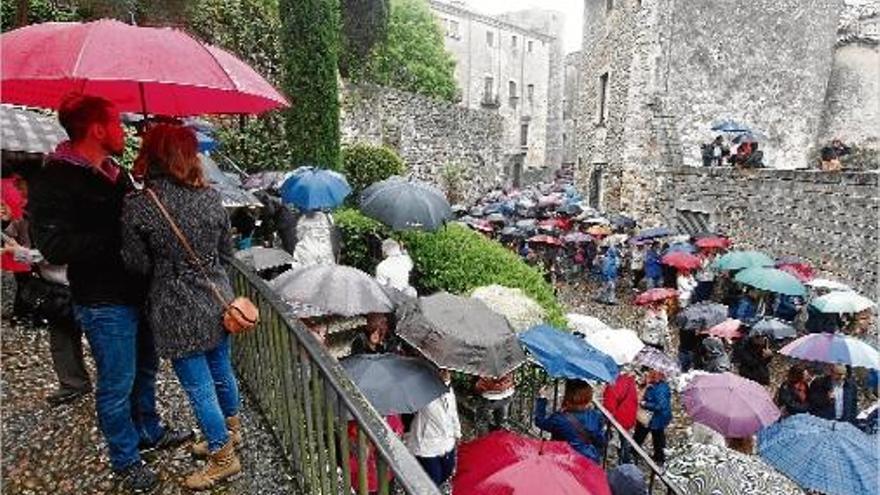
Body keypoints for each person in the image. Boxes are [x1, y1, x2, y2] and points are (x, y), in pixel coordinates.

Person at [27, 95, 195, 492]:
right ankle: (125, 457)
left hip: (139, 292)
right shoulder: (54, 179)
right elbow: (54, 247)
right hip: (103, 301)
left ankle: (149, 430)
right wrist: (120, 237)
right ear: (98, 129)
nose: (124, 132)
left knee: (146, 371)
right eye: (118, 124)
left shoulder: (116, 173)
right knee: (116, 382)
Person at [121, 124, 244, 490]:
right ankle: (231, 432)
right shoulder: (210, 197)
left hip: (176, 307)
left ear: (152, 154)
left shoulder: (140, 205)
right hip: (218, 299)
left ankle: (222, 457)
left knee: (199, 388)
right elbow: (226, 253)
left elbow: (136, 265)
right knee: (222, 372)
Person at [406, 369, 461, 487]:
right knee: (433, 479)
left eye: (448, 371)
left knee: (447, 472)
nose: (446, 374)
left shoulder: (449, 389)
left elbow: (453, 411)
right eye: (442, 371)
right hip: (426, 444)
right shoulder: (423, 390)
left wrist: (457, 432)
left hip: (447, 441)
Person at [535, 380, 606, 463]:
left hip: (564, 459)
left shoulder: (559, 419)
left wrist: (542, 399)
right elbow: (601, 440)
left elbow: (540, 422)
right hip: (588, 459)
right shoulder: (596, 416)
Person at [633, 370, 672, 465]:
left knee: (648, 435)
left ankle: (658, 458)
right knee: (655, 436)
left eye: (653, 374)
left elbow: (660, 406)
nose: (650, 374)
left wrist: (645, 404)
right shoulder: (654, 384)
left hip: (655, 418)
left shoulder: (661, 389)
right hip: (653, 417)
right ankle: (658, 456)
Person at [603, 369, 638, 463]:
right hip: (629, 413)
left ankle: (603, 449)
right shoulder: (629, 380)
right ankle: (625, 460)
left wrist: (607, 417)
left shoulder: (613, 384)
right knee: (624, 438)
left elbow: (609, 404)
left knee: (616, 435)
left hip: (619, 415)